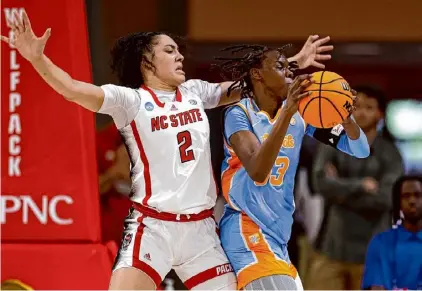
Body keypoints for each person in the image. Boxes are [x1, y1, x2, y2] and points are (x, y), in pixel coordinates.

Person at [1, 10, 332, 290]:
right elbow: (72, 90)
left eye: (179, 51)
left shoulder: (194, 92)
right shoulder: (130, 101)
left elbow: (253, 82)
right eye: (170, 51)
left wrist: (294, 61)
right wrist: (37, 58)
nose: (180, 57)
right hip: (152, 228)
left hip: (201, 230)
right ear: (148, 60)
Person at [216, 45, 370, 290]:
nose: (289, 74)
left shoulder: (301, 117)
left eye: (290, 68)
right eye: (280, 67)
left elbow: (360, 149)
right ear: (257, 74)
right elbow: (258, 170)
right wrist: (288, 111)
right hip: (247, 231)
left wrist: (346, 118)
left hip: (278, 238)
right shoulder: (238, 113)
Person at [308, 85, 404, 290]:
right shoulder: (332, 143)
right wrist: (361, 185)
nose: (361, 112)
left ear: (380, 114)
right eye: (356, 106)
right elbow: (318, 184)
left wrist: (339, 192)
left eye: (369, 107)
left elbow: (386, 199)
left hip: (373, 251)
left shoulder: (391, 153)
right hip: (332, 247)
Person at [362, 175, 422, 290]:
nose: (412, 201)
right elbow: (376, 287)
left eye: (418, 195)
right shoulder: (381, 243)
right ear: (398, 202)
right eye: (406, 196)